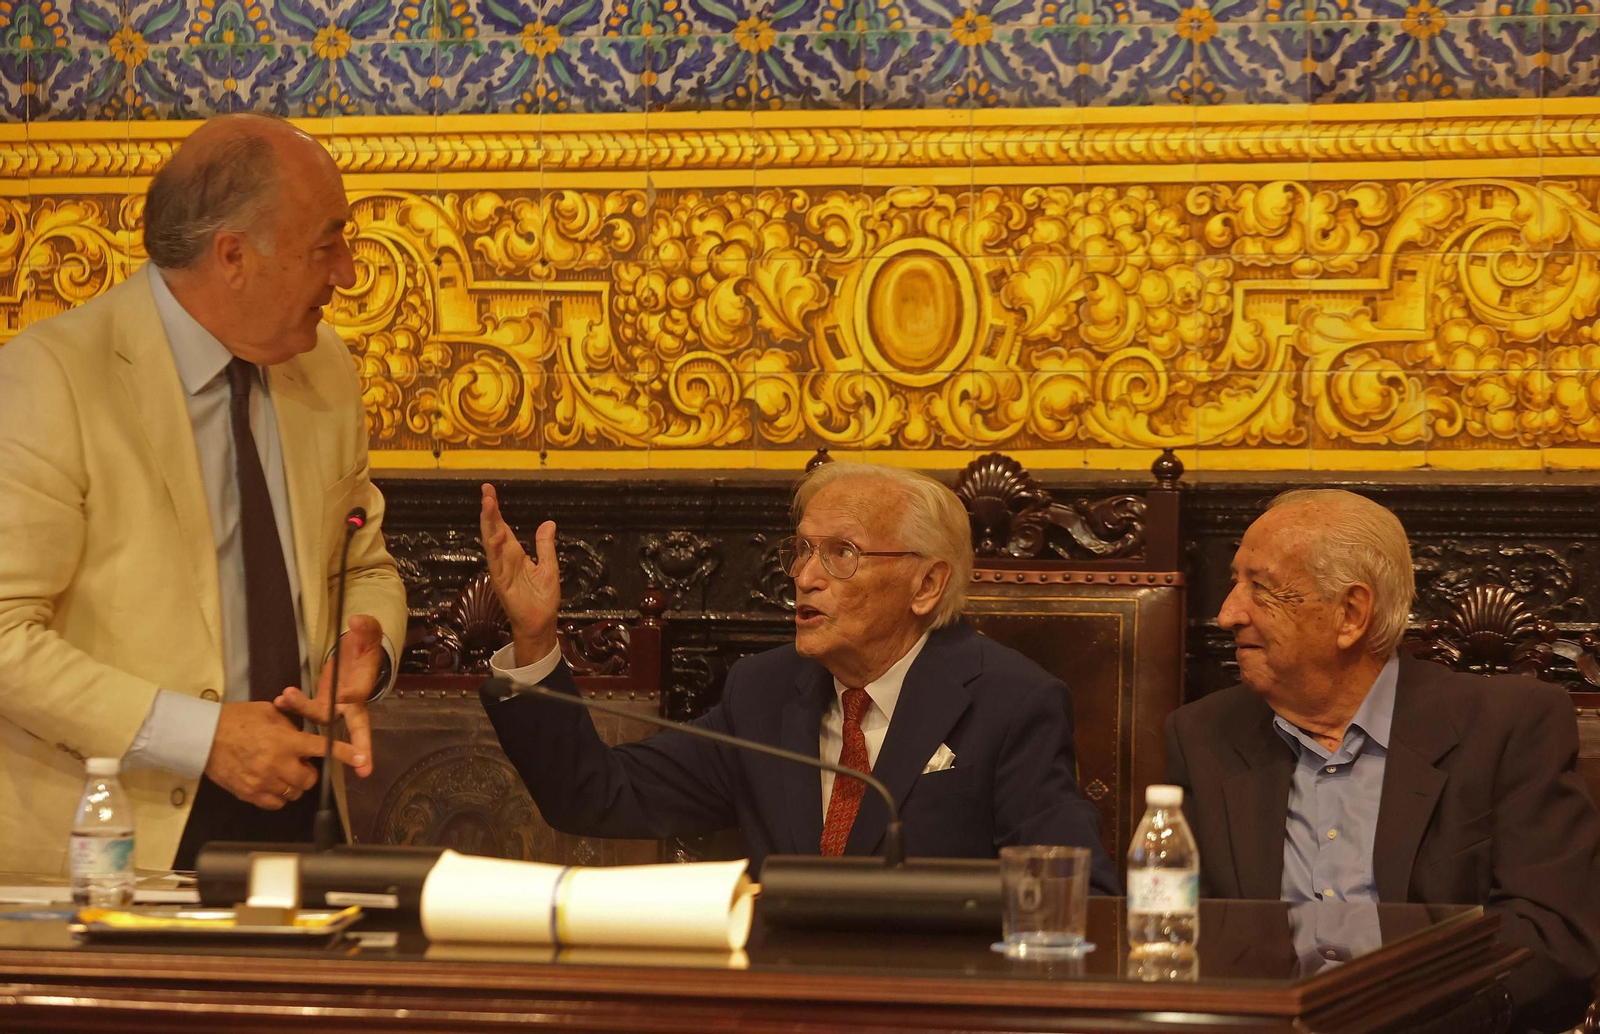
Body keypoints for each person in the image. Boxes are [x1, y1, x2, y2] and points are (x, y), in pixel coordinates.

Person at [0, 114, 407, 873]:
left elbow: (364, 565)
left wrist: (367, 651)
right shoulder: (52, 378)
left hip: (301, 815)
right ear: (234, 256)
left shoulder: (323, 368)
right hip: (119, 838)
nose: (348, 273)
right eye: (327, 246)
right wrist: (205, 738)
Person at [478, 461, 1118, 891]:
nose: (805, 577)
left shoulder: (1011, 703)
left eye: (842, 554)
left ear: (926, 584)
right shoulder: (763, 691)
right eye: (804, 549)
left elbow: (1077, 892)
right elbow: (595, 794)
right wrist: (534, 638)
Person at [1165, 489, 1600, 1031]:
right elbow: (1178, 927)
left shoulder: (1507, 726)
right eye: (1235, 583)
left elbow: (1552, 937)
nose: (1228, 613)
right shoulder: (1203, 735)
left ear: (1351, 614)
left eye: (1262, 588)